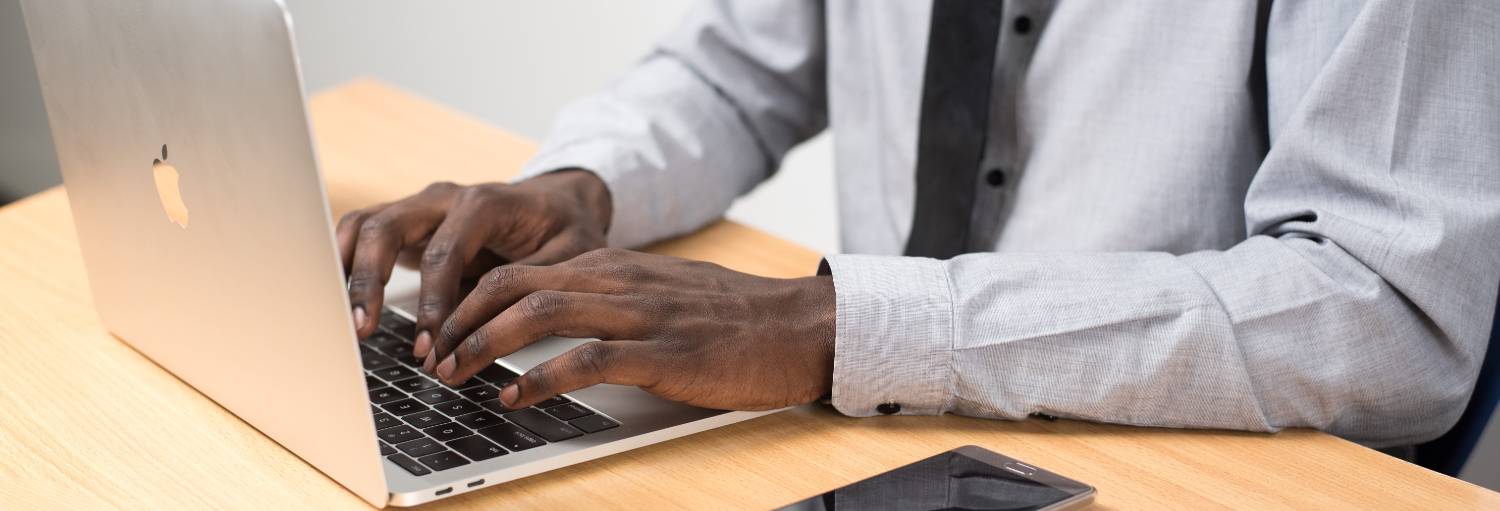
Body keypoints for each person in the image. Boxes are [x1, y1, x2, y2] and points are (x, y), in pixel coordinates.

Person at [335, 0, 1500, 450]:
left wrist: (843, 322)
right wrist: (588, 184)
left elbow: (1383, 307)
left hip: (1176, 458)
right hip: (879, 436)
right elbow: (747, 66)